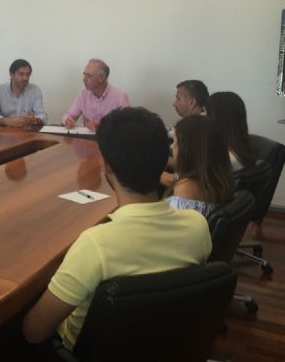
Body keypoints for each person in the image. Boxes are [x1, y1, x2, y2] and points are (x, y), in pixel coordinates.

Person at [18, 108, 211, 357]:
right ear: (165, 159)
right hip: (164, 343)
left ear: (107, 165)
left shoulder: (95, 244)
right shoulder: (198, 226)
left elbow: (35, 332)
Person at [166, 115, 234, 218]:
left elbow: (173, 229)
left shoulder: (185, 189)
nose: (172, 146)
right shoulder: (218, 179)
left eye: (175, 141)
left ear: (187, 150)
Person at [62, 59, 129, 131]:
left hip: (110, 140)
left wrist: (103, 126)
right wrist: (67, 120)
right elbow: (69, 115)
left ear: (101, 78)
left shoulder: (120, 97)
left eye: (89, 76)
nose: (84, 79)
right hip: (87, 140)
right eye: (84, 75)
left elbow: (127, 126)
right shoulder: (83, 94)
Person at [0, 59, 47, 127]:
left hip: (27, 134)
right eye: (21, 74)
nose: (25, 78)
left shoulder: (35, 90)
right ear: (11, 74)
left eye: (28, 74)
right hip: (4, 133)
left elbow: (42, 115)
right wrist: (7, 121)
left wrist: (36, 120)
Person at [205, 91, 255, 171]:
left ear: (219, 121)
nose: (204, 119)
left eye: (207, 114)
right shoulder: (238, 151)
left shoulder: (225, 161)